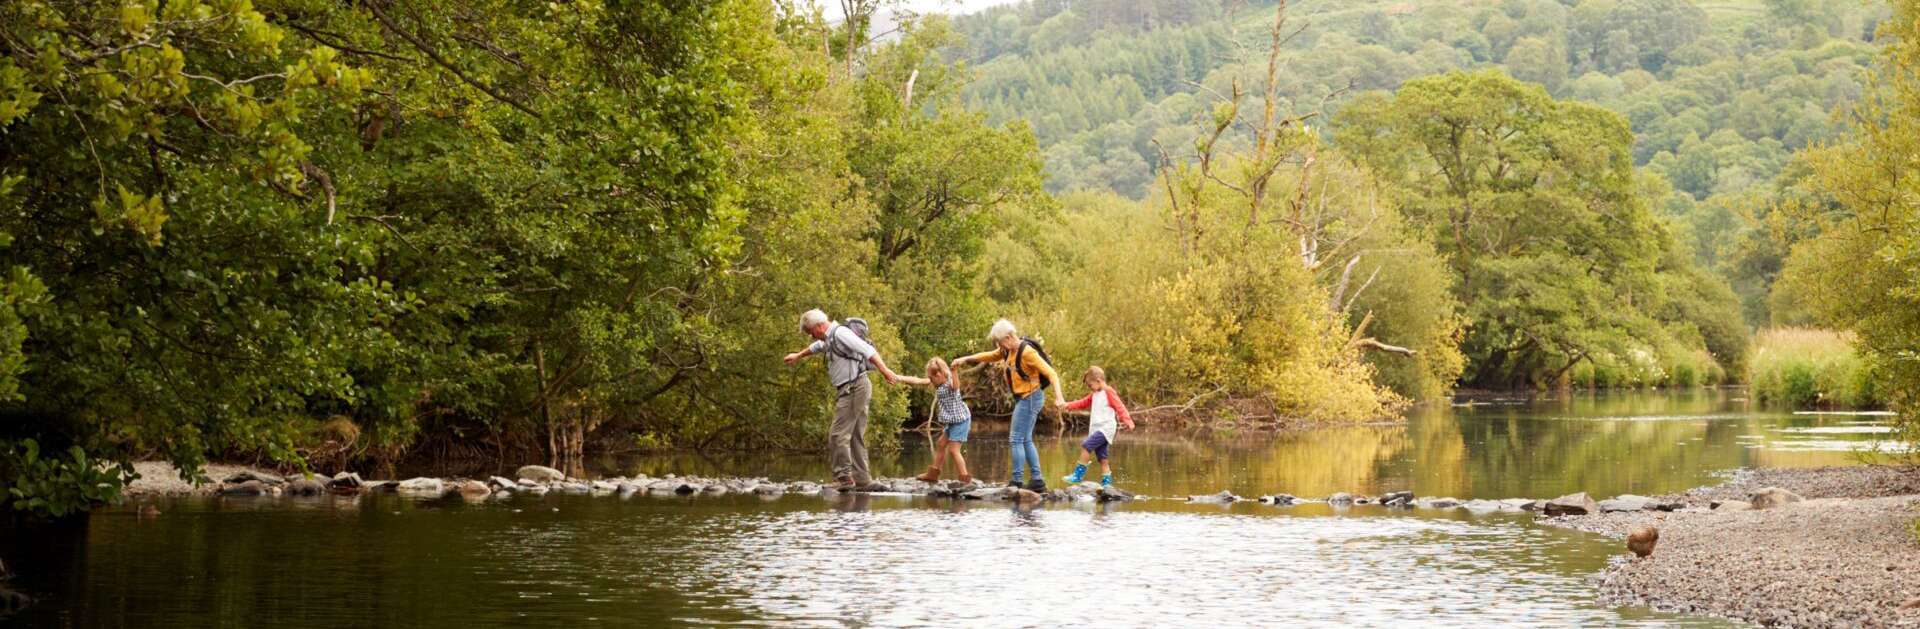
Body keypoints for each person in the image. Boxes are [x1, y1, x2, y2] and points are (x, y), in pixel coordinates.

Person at [784, 309, 905, 491]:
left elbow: (868, 350)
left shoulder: (840, 334)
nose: (811, 336)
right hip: (856, 387)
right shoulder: (829, 338)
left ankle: (844, 478)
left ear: (819, 326)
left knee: (837, 434)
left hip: (854, 388)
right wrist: (798, 355)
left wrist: (885, 370)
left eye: (810, 332)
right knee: (856, 434)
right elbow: (816, 347)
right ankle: (863, 479)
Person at [954, 319, 1063, 492]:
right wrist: (965, 359)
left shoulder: (1027, 352)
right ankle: (1037, 480)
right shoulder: (1007, 350)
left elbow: (1052, 374)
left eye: (1000, 341)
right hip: (1023, 398)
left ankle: (1017, 480)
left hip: (1031, 397)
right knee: (1025, 438)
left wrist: (1059, 397)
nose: (998, 345)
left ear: (1009, 336)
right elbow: (990, 355)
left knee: (1016, 439)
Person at [894, 357, 972, 484]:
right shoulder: (938, 383)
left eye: (932, 378)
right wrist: (898, 377)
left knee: (953, 450)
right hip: (952, 421)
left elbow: (956, 386)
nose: (930, 381)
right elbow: (917, 380)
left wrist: (954, 370)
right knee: (941, 444)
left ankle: (965, 479)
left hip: (961, 421)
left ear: (939, 374)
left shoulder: (949, 383)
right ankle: (933, 474)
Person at [1061, 366, 1134, 487]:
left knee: (1086, 446)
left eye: (1090, 385)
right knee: (1102, 458)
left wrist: (1128, 420)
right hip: (1097, 429)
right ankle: (1107, 484)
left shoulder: (1108, 392)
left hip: (1106, 428)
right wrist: (1067, 405)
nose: (1090, 388)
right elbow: (1082, 402)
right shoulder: (1095, 394)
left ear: (1099, 381)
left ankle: (1077, 476)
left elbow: (1119, 406)